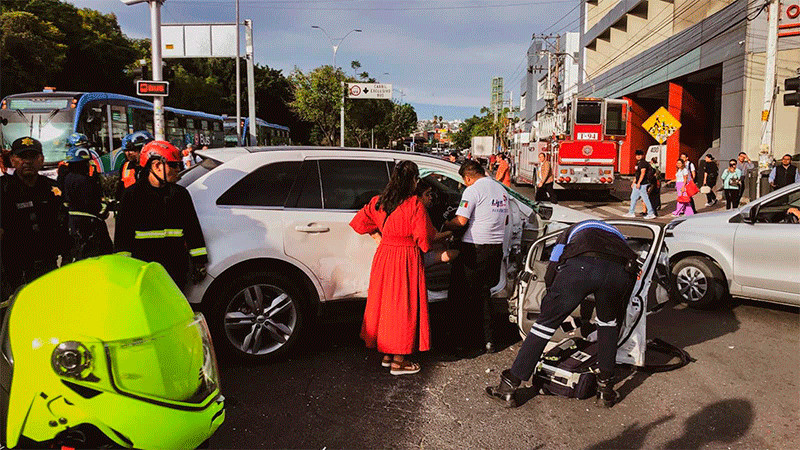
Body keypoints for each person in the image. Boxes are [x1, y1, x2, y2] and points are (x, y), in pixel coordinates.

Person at [485, 220, 638, 408]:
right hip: (620, 271)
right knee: (608, 325)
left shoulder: (569, 232)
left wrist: (552, 297)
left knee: (544, 326)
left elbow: (553, 265)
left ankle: (509, 386)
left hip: (581, 267)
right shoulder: (618, 237)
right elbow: (629, 282)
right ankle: (605, 391)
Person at [349, 160, 436, 375]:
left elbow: (359, 222)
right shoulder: (414, 204)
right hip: (406, 258)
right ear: (413, 181)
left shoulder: (379, 201)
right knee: (404, 307)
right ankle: (399, 360)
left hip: (385, 256)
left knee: (385, 305)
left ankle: (387, 354)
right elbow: (424, 239)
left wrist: (378, 236)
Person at [114, 141, 208, 291]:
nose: (178, 169)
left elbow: (193, 230)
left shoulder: (180, 195)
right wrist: (124, 269)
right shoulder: (132, 196)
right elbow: (122, 238)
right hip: (144, 270)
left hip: (176, 271)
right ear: (157, 165)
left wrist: (199, 262)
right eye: (173, 165)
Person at [444, 160, 509, 353]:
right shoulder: (501, 190)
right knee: (484, 294)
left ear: (468, 177)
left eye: (464, 181)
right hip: (494, 249)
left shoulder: (472, 190)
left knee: (461, 295)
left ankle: (462, 342)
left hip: (474, 248)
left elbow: (461, 220)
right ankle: (488, 340)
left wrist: (447, 224)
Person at [0, 137, 70, 300]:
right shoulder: (4, 190)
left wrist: (67, 261)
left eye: (33, 156)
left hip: (48, 269)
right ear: (12, 160)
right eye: (22, 157)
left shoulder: (53, 189)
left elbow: (64, 227)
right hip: (15, 275)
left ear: (41, 160)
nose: (27, 161)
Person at [63, 146, 113, 260]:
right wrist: (105, 207)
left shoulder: (67, 178)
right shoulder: (85, 181)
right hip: (89, 226)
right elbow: (93, 205)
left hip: (72, 224)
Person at [116, 131, 154, 200]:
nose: (128, 153)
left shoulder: (151, 167)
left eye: (132, 150)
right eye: (126, 150)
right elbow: (121, 187)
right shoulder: (125, 166)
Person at [623, 150, 656, 219]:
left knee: (645, 198)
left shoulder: (643, 163)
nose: (638, 156)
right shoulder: (638, 163)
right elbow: (637, 174)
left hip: (642, 184)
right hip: (638, 184)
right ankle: (631, 212)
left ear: (643, 155)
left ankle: (651, 213)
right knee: (633, 197)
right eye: (637, 155)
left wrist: (639, 183)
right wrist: (634, 182)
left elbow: (642, 173)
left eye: (640, 155)